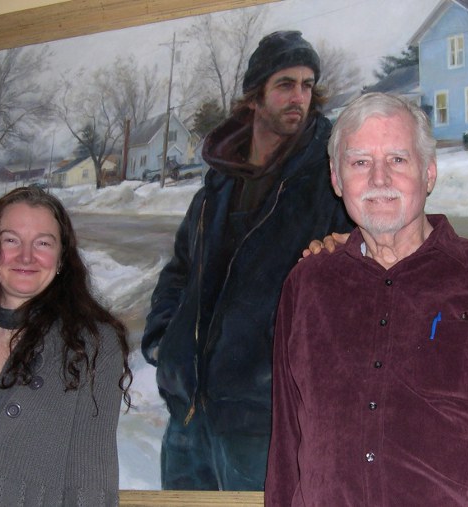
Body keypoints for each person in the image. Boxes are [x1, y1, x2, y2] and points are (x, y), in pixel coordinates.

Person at [265, 93, 468, 505]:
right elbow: (286, 445)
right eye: (360, 162)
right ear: (337, 180)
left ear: (429, 174)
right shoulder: (307, 285)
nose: (379, 179)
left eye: (397, 159)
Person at [141, 30, 351, 490]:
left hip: (264, 422)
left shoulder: (329, 182)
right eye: (285, 84)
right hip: (187, 415)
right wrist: (164, 338)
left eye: (307, 85)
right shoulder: (218, 184)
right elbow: (180, 271)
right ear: (255, 97)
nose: (299, 97)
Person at [0, 187, 132, 506]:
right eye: (11, 240)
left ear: (61, 259)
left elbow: (91, 483)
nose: (26, 256)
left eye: (43, 243)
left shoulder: (94, 346)